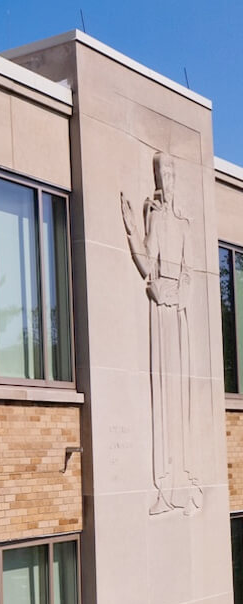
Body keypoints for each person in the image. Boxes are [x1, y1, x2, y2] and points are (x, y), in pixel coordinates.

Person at [121, 152, 203, 515]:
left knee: (180, 399)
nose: (165, 177)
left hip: (177, 312)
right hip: (160, 312)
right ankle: (165, 487)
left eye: (170, 171)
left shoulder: (184, 223)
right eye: (160, 171)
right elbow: (146, 264)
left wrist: (179, 294)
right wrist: (131, 229)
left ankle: (186, 484)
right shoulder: (154, 218)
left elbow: (189, 272)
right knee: (162, 393)